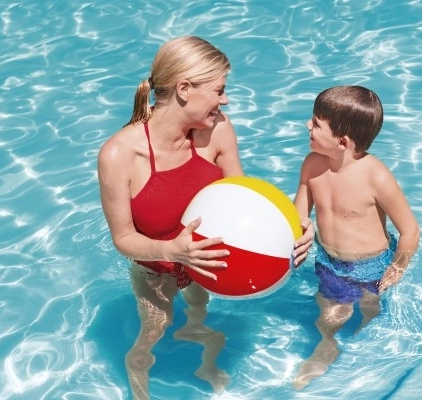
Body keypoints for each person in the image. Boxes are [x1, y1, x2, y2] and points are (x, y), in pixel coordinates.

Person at [97, 36, 313, 400]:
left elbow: (245, 200)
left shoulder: (218, 129)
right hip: (156, 268)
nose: (225, 100)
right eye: (219, 90)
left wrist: (294, 227)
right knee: (155, 331)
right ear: (184, 89)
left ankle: (203, 356)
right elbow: (123, 238)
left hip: (206, 263)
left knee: (198, 310)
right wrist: (173, 251)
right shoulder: (119, 154)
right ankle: (138, 375)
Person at [291, 85, 420, 390]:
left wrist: (397, 268)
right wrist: (301, 231)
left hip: (372, 266)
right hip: (329, 262)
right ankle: (327, 346)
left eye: (316, 123)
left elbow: (410, 230)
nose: (307, 125)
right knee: (328, 317)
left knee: (370, 313)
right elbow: (299, 214)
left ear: (342, 142)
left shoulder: (376, 177)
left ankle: (370, 359)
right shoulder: (312, 164)